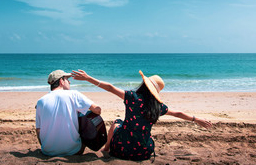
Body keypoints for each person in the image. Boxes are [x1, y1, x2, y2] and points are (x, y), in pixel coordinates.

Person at [72, 69, 212, 161]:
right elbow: (178, 113)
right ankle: (110, 147)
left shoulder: (132, 97)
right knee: (146, 133)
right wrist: (196, 119)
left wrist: (88, 78)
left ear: (144, 84)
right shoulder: (157, 107)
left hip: (121, 148)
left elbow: (110, 88)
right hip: (144, 151)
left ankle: (107, 148)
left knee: (117, 122)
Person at [35, 70, 101, 157]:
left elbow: (38, 130)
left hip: (47, 151)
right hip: (74, 151)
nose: (69, 82)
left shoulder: (40, 102)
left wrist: (44, 146)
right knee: (86, 114)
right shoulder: (73, 94)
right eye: (67, 79)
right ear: (61, 81)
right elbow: (98, 110)